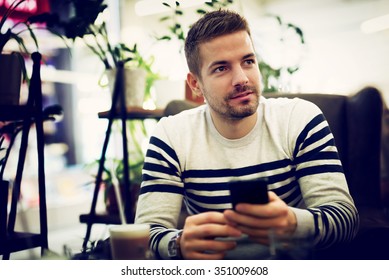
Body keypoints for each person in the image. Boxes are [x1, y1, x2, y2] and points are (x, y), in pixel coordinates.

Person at [134, 9, 359, 260]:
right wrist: (178, 243)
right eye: (221, 68)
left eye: (248, 61)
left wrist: (293, 223)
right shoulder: (171, 136)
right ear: (195, 84)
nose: (241, 78)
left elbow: (345, 220)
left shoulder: (300, 119)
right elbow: (144, 235)